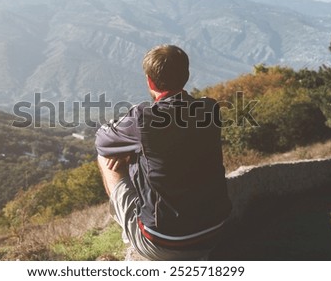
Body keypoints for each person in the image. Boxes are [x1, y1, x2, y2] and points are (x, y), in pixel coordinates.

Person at [95, 44, 232, 260]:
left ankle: (129, 231)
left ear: (150, 81)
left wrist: (129, 149)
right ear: (186, 75)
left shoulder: (143, 118)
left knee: (105, 157)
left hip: (163, 242)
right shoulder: (210, 108)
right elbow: (178, 142)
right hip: (215, 229)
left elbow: (102, 141)